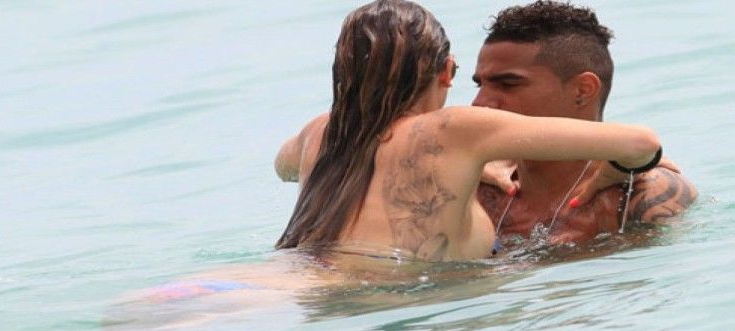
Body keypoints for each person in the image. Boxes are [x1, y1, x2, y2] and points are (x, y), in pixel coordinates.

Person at [274, 0, 662, 263]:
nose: (479, 102)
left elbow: (284, 168)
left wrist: (466, 164)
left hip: (286, 277)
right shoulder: (457, 130)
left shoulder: (319, 131)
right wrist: (615, 169)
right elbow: (642, 142)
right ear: (447, 71)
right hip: (364, 296)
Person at [473, 0, 697, 245]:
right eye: (479, 85)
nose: (479, 103)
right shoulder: (471, 188)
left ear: (583, 90)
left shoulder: (637, 196)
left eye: (508, 84)